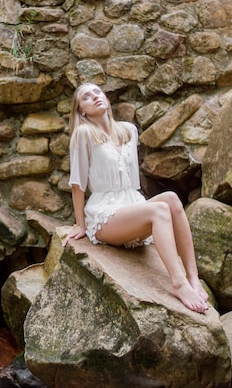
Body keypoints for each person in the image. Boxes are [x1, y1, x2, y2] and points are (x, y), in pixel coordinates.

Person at [62, 82, 209, 313]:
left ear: (107, 98)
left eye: (98, 92)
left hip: (131, 206)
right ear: (82, 111)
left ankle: (192, 278)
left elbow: (131, 182)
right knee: (159, 210)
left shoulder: (128, 130)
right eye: (87, 97)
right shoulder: (84, 134)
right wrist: (80, 224)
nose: (95, 97)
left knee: (170, 198)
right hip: (105, 214)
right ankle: (178, 283)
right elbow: (77, 184)